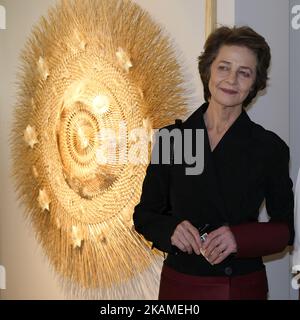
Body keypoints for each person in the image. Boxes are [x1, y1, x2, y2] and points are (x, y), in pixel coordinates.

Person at [133, 26, 294, 300]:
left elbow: (284, 230)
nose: (231, 80)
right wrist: (170, 229)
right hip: (179, 286)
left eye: (244, 73)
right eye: (224, 67)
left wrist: (239, 239)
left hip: (240, 287)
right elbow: (145, 215)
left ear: (255, 83)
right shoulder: (173, 139)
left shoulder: (269, 148)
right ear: (208, 70)